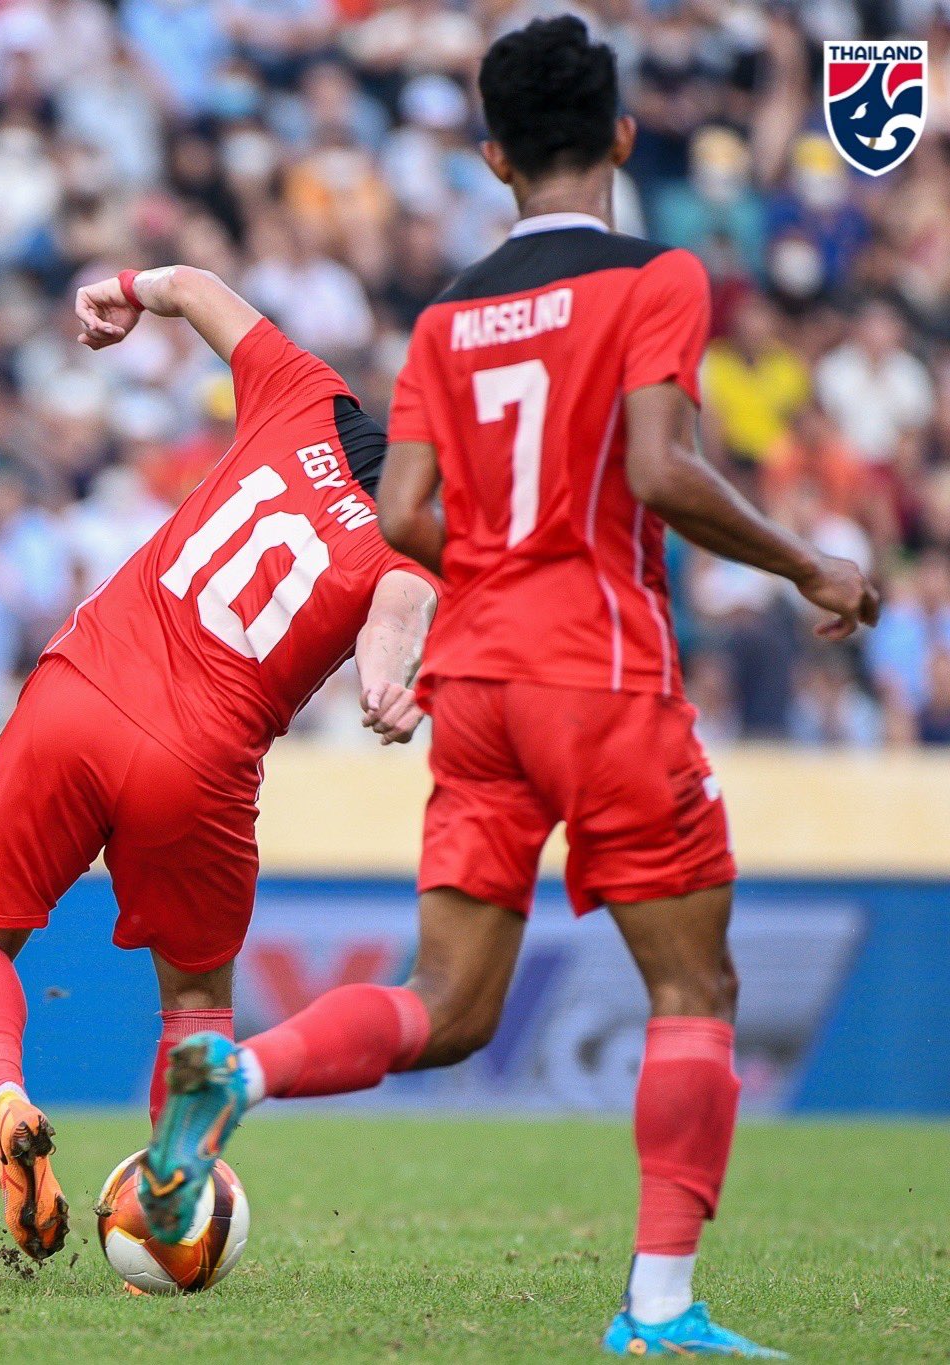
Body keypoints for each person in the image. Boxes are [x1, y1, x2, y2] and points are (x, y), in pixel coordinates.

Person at [144, 19, 877, 1358]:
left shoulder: (446, 319)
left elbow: (407, 507)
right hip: (598, 667)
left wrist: (486, 576)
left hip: (474, 679)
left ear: (490, 156)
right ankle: (659, 1312)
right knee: (693, 992)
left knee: (451, 1004)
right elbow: (658, 471)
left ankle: (240, 1065)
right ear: (622, 137)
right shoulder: (658, 277)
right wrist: (807, 563)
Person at [0, 262, 439, 1263]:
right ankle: (167, 1202)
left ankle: (5, 1099)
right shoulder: (416, 548)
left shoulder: (304, 395)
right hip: (198, 760)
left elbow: (196, 287)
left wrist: (121, 286)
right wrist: (387, 687)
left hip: (78, 690)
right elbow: (397, 617)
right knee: (198, 1004)